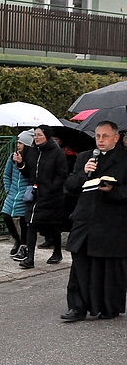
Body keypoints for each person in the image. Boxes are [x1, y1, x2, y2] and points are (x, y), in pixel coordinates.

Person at [61, 121, 127, 322]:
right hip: (85, 220)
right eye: (97, 136)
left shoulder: (124, 159)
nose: (100, 140)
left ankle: (108, 306)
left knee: (107, 268)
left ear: (116, 138)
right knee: (80, 265)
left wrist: (113, 190)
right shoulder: (85, 157)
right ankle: (77, 307)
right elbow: (69, 186)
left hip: (111, 222)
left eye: (105, 136)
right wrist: (84, 173)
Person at [13, 125, 68, 269]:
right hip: (34, 193)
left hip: (52, 195)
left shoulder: (57, 153)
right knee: (31, 222)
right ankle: (29, 258)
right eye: (35, 135)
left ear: (47, 137)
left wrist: (50, 187)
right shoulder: (32, 151)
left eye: (39, 135)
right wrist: (20, 163)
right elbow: (28, 173)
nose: (36, 138)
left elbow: (62, 174)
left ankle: (57, 251)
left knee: (53, 224)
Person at [2, 130, 32, 261]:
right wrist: (8, 189)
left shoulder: (31, 158)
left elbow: (31, 175)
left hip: (25, 194)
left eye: (21, 142)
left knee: (23, 220)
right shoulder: (11, 157)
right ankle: (17, 240)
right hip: (13, 192)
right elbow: (6, 174)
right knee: (6, 215)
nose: (18, 145)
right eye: (18, 142)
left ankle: (23, 246)